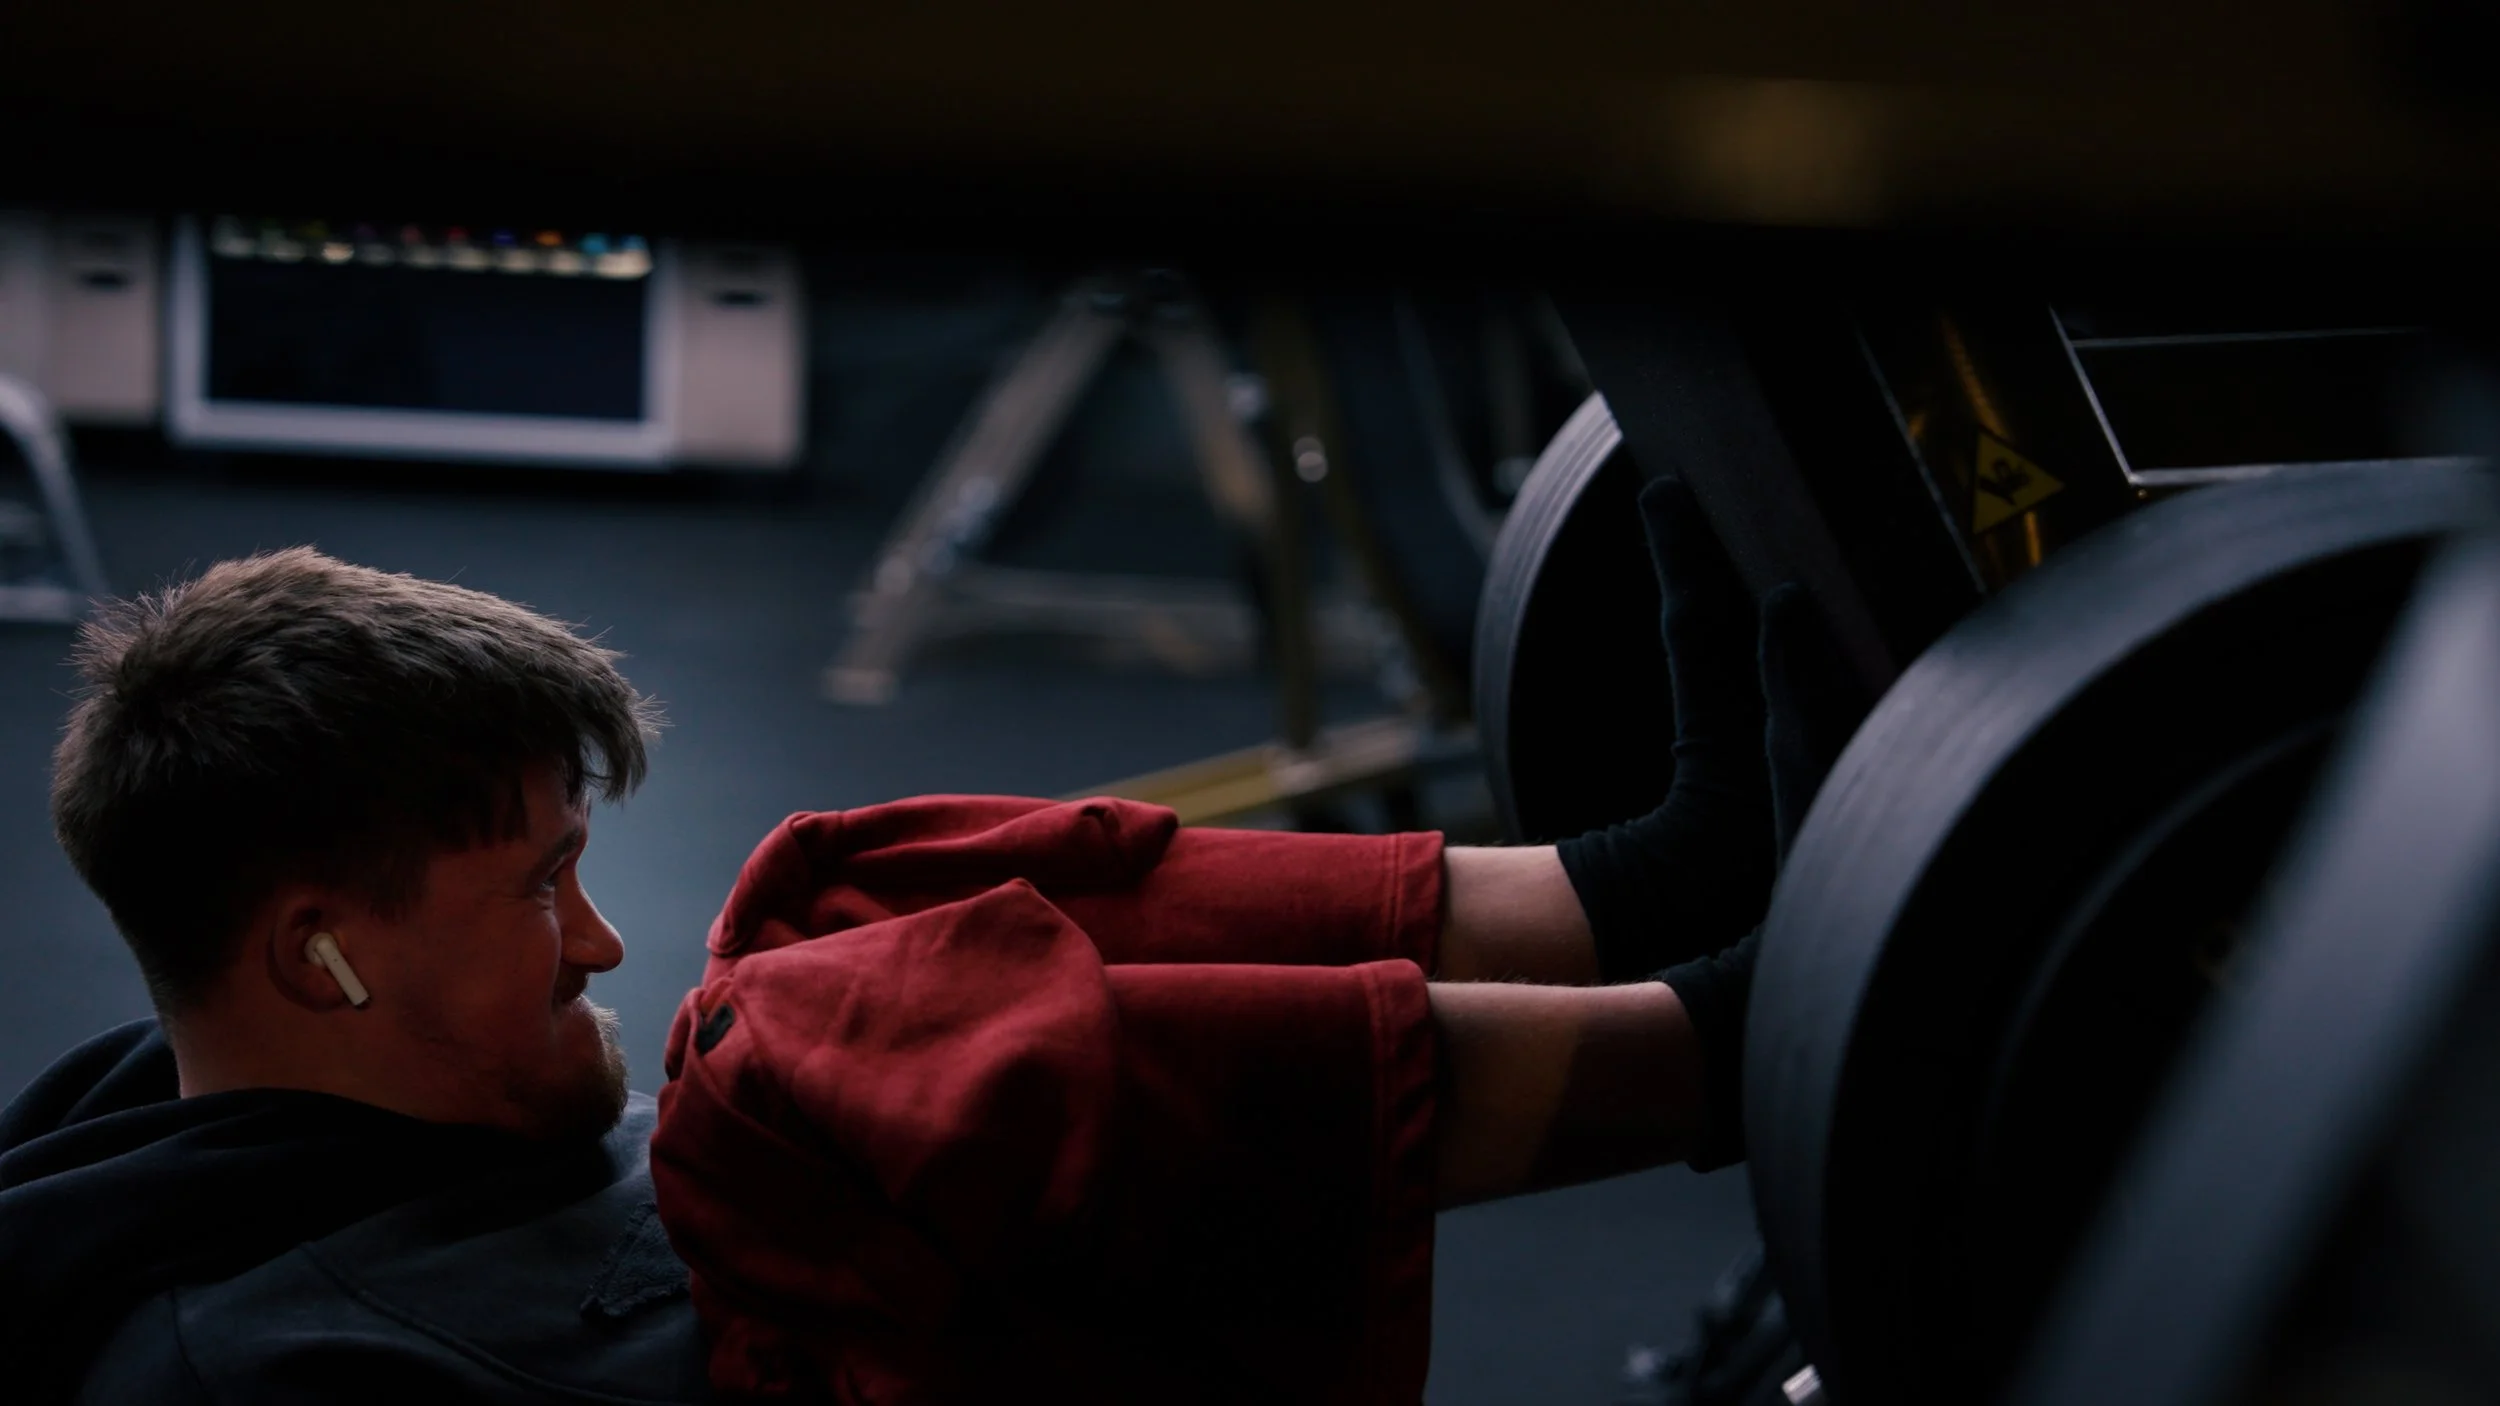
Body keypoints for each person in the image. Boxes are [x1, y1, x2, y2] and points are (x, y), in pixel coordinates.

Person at [0, 482, 1862, 1405]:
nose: (599, 940)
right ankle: (1740, 1043)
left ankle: (1640, 892)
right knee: (839, 1057)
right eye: (536, 889)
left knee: (824, 902)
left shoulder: (188, 1125)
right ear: (318, 956)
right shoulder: (246, 1372)